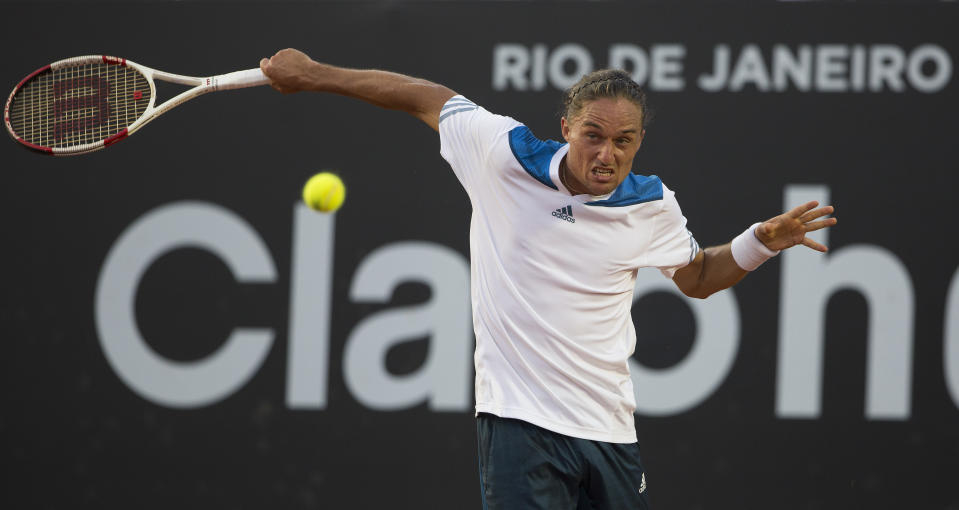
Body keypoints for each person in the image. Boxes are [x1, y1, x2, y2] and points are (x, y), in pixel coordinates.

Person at [259, 48, 837, 510]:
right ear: (566, 128)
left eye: (624, 141)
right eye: (593, 134)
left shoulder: (653, 204)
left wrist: (758, 242)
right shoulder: (503, 155)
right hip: (518, 425)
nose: (607, 153)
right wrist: (314, 75)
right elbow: (423, 98)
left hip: (610, 432)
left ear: (638, 142)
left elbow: (698, 277)